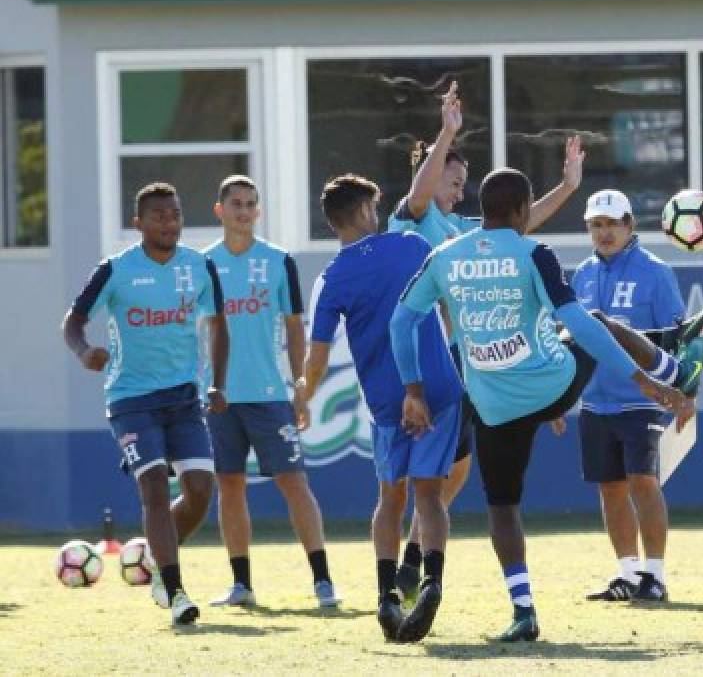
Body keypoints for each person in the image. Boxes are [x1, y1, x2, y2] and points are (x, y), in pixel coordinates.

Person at [391, 168, 703, 642]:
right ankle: (673, 369)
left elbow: (402, 320)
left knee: (502, 505)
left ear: (483, 207)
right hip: (551, 386)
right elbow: (581, 327)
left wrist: (413, 390)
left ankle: (523, 611)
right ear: (522, 211)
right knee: (601, 317)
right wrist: (644, 380)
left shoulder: (445, 256)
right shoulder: (533, 252)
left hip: (494, 401)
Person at [387, 82, 587, 604]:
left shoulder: (458, 229)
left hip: (468, 363)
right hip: (427, 366)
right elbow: (419, 193)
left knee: (454, 470)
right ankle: (403, 571)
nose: (457, 191)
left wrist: (567, 188)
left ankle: (413, 566)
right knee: (426, 476)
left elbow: (517, 223)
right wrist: (446, 133)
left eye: (463, 183)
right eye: (452, 181)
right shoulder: (413, 218)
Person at [296, 174, 463, 643]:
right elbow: (448, 302)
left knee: (390, 498)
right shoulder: (411, 246)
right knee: (429, 496)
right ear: (368, 212)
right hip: (440, 390)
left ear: (332, 222)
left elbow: (319, 355)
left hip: (389, 403)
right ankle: (431, 580)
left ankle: (386, 594)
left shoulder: (332, 279)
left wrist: (303, 393)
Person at [62, 182, 227, 626]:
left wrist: (217, 384)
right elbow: (73, 322)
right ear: (138, 224)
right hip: (131, 399)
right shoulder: (115, 270)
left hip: (183, 398)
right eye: (158, 216)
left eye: (175, 214)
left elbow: (218, 325)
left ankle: (155, 556)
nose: (169, 223)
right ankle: (174, 591)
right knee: (154, 487)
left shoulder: (199, 267)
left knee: (199, 493)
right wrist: (84, 352)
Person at [571, 189, 703, 604]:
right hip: (595, 400)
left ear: (629, 225)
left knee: (644, 482)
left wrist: (686, 393)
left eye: (612, 224)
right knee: (610, 488)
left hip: (643, 400)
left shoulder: (655, 272)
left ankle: (655, 575)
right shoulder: (581, 275)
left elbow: (682, 340)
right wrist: (561, 397)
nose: (604, 233)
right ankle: (627, 573)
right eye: (596, 225)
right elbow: (573, 340)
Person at [202, 175, 339, 609]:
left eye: (251, 204)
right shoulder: (201, 265)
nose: (244, 211)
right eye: (236, 204)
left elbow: (295, 328)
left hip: (268, 393)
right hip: (220, 397)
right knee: (229, 484)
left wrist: (301, 385)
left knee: (294, 482)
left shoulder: (279, 262)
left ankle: (323, 582)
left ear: (258, 212)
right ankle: (241, 585)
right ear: (219, 210)